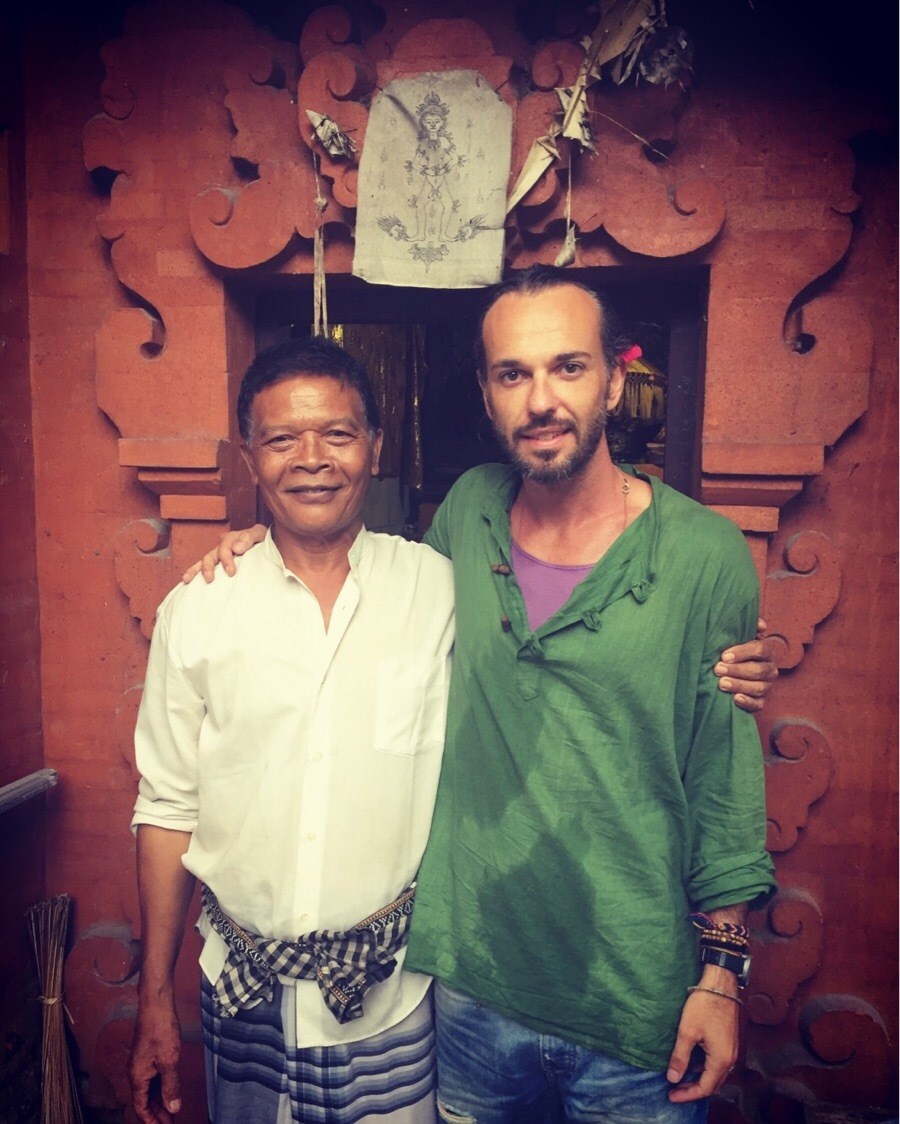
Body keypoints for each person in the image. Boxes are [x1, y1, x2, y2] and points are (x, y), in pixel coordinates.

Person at [190, 268, 779, 1121]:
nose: (541, 399)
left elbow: (724, 780)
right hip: (468, 993)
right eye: (513, 373)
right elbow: (369, 591)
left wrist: (721, 975)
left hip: (635, 1001)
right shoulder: (467, 514)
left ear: (614, 380)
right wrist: (266, 540)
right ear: (488, 392)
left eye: (568, 367)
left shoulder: (704, 554)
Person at [128, 337, 454, 1124]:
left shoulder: (439, 587)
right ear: (250, 459)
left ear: (375, 447)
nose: (312, 460)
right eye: (281, 440)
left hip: (391, 991)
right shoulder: (200, 608)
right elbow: (167, 807)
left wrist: (724, 665)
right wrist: (154, 997)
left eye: (338, 434)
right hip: (238, 988)